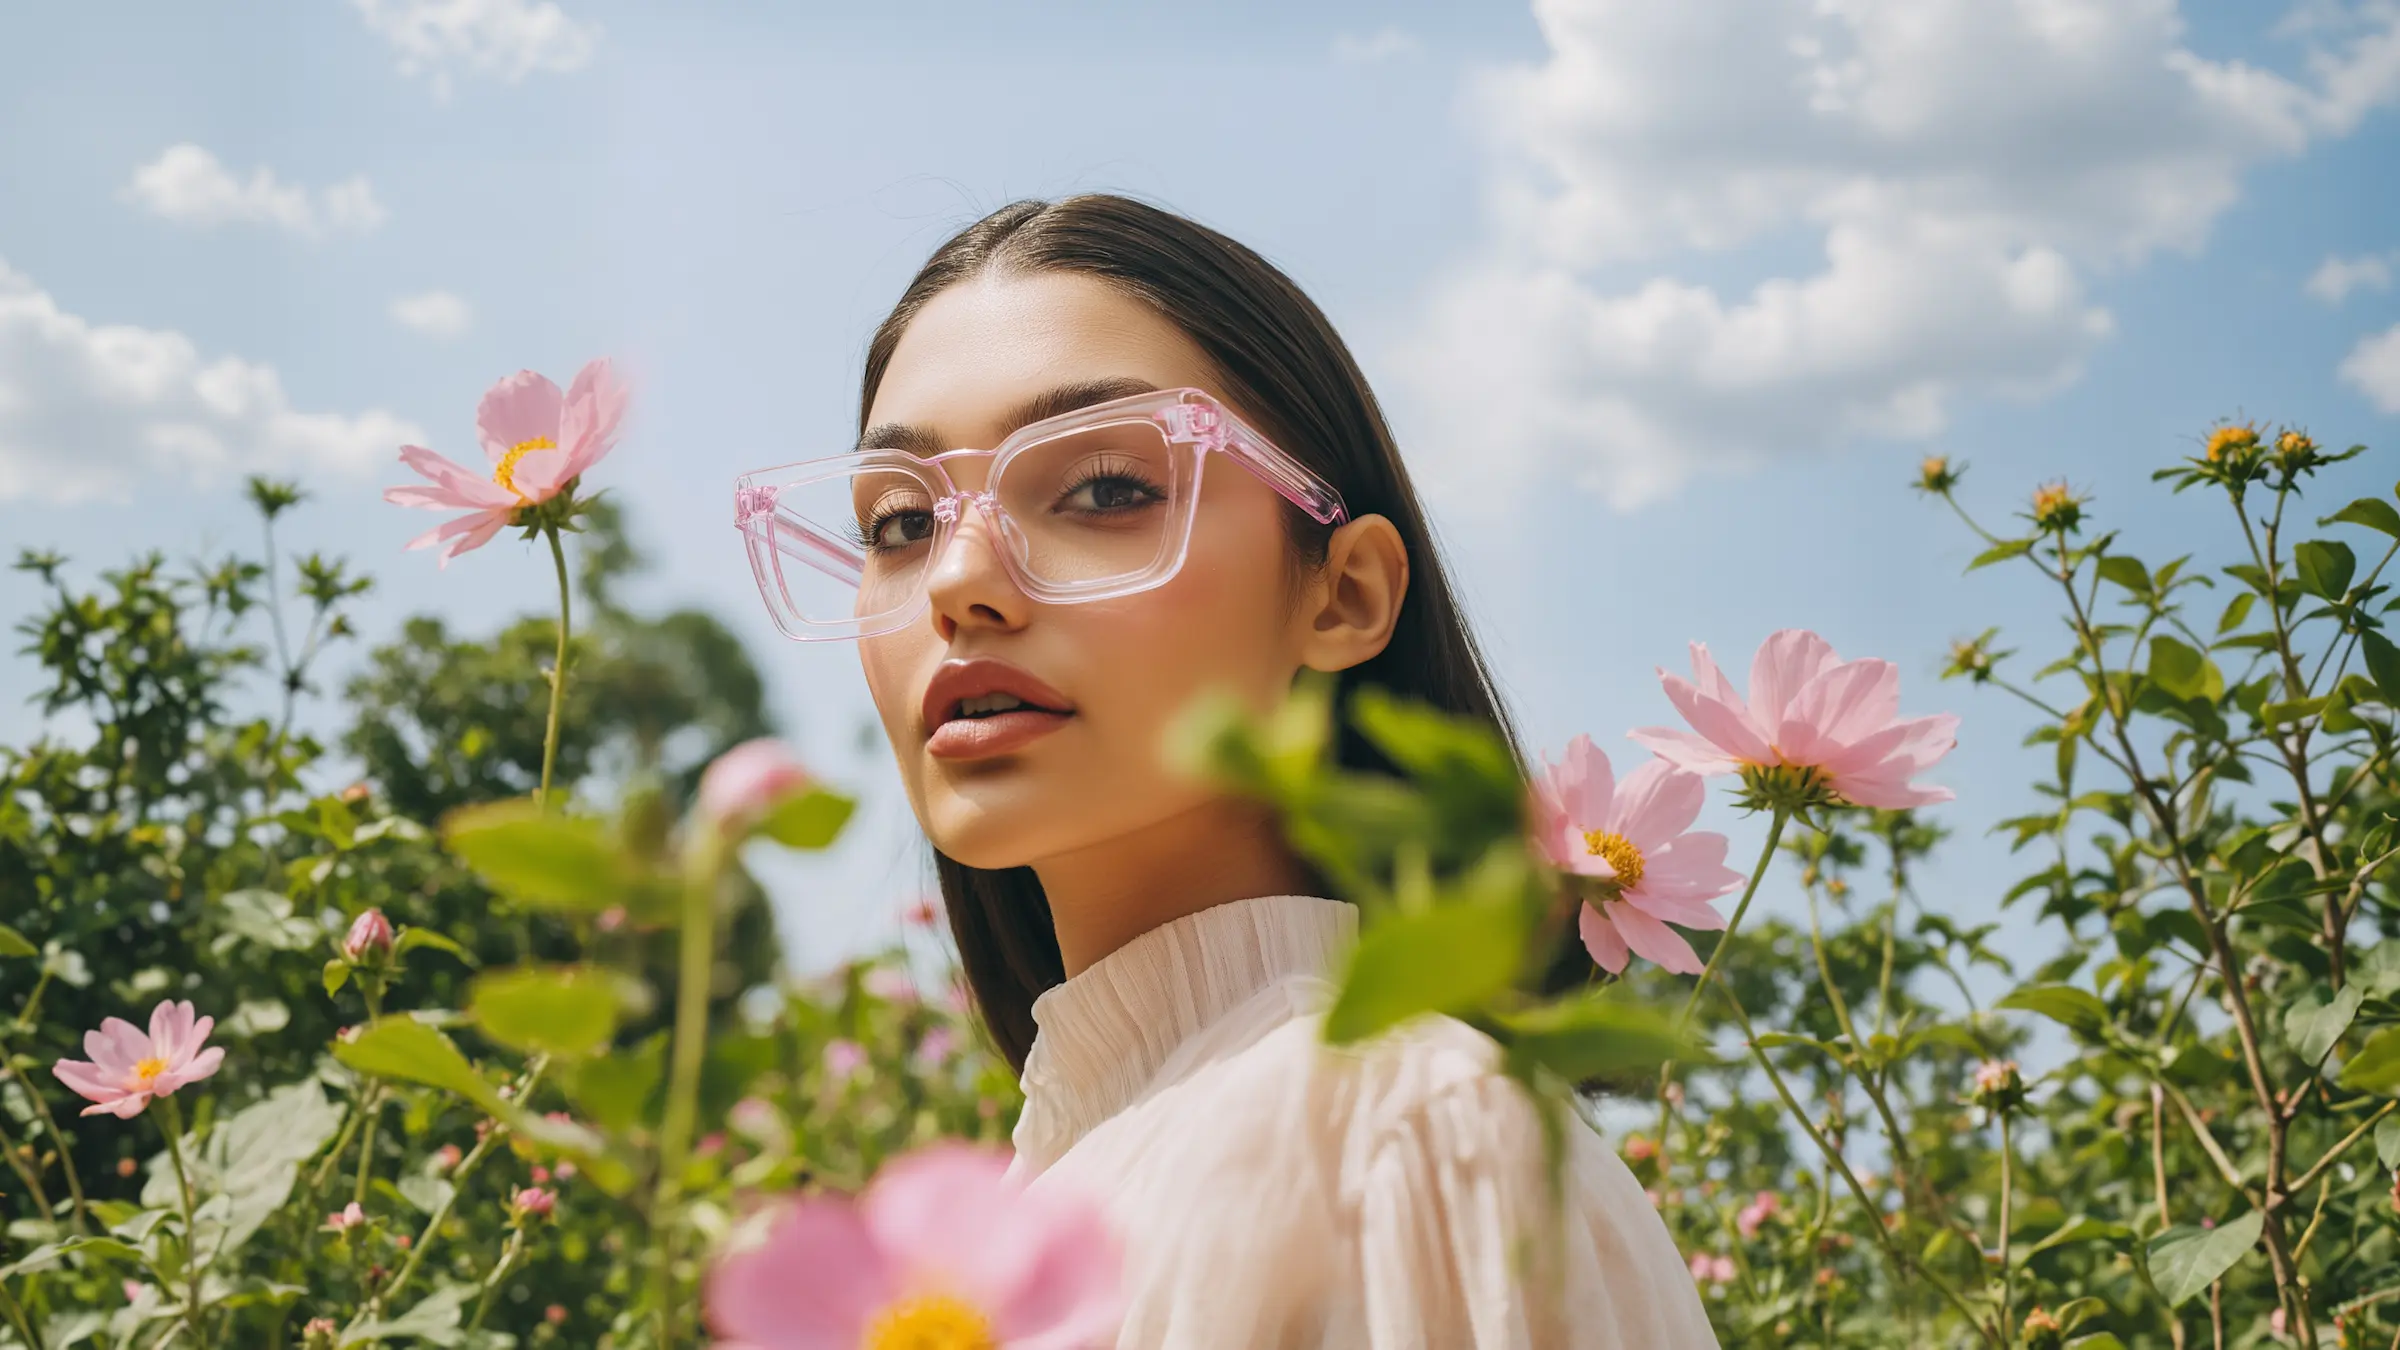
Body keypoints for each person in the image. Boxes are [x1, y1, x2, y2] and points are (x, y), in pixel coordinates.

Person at [734, 194, 1716, 1349]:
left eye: (1104, 489)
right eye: (899, 522)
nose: (955, 578)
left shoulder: (1394, 1137)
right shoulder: (1038, 1209)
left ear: (1343, 594)